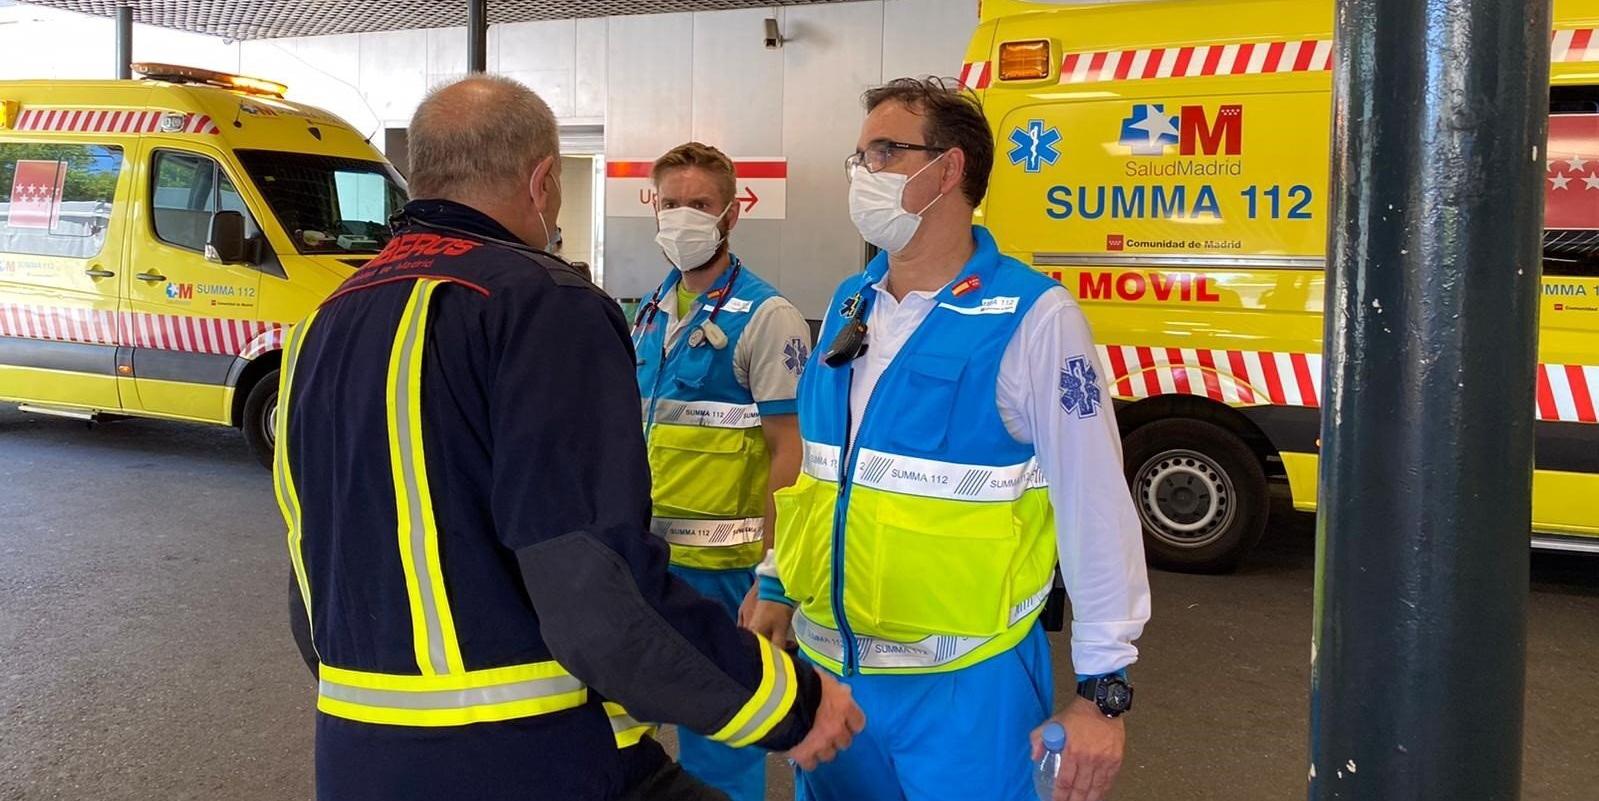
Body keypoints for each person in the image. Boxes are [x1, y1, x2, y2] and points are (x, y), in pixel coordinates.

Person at [274, 75, 863, 801]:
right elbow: (592, 595)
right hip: (525, 757)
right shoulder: (540, 303)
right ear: (544, 181)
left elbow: (310, 582)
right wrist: (793, 704)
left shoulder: (320, 324)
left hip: (355, 751)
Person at [746, 77, 1151, 801]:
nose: (861, 173)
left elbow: (1094, 505)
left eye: (884, 151)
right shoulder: (849, 302)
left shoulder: (1034, 316)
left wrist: (1102, 689)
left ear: (950, 169)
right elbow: (817, 476)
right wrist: (776, 580)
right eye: (858, 156)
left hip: (967, 694)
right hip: (830, 682)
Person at [632, 142, 814, 801]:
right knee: (629, 738)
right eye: (671, 203)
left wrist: (776, 573)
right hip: (649, 567)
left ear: (731, 213)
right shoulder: (649, 313)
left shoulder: (767, 318)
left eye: (700, 204)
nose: (683, 216)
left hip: (727, 575)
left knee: (723, 745)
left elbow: (790, 453)